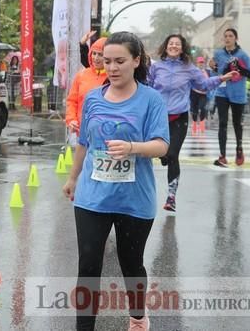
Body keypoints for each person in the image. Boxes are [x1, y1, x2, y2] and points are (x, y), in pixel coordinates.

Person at [62, 32, 170, 331]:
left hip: (133, 199)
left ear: (136, 61)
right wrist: (73, 178)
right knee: (88, 265)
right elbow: (84, 141)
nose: (112, 67)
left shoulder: (151, 100)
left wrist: (132, 147)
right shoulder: (93, 98)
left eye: (120, 61)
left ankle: (137, 316)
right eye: (107, 61)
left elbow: (162, 145)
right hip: (92, 195)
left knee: (131, 263)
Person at [148, 35, 235, 212]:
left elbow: (203, 85)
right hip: (158, 118)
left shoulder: (189, 68)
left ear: (182, 48)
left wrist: (222, 78)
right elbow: (146, 86)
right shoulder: (156, 67)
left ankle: (171, 197)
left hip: (179, 117)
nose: (173, 46)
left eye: (177, 44)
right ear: (166, 47)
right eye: (171, 43)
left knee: (172, 155)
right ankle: (163, 156)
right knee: (162, 153)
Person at [213, 28, 250, 167]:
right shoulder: (218, 53)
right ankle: (222, 155)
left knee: (237, 124)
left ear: (235, 38)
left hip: (238, 93)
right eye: (225, 36)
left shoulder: (242, 55)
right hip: (222, 92)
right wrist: (212, 66)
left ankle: (239, 148)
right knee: (223, 123)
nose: (227, 38)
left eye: (230, 36)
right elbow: (217, 69)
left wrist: (238, 69)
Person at [65, 37, 107, 136]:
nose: (96, 58)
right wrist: (71, 120)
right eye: (94, 53)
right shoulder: (81, 75)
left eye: (100, 54)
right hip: (82, 133)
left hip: (105, 133)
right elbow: (72, 101)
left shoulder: (113, 78)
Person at [189, 56, 210, 134]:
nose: (201, 64)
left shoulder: (207, 72)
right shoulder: (194, 71)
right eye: (200, 62)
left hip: (203, 94)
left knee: (202, 108)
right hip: (194, 93)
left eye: (202, 62)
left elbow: (210, 81)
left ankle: (202, 125)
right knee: (194, 110)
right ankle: (194, 125)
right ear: (197, 63)